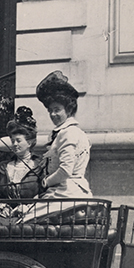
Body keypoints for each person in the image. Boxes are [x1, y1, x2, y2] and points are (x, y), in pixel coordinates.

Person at [36, 70, 92, 198]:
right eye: (50, 110)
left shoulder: (67, 133)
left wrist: (46, 182)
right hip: (78, 191)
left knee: (25, 217)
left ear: (68, 109)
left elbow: (66, 170)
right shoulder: (78, 132)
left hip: (64, 194)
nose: (52, 114)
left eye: (57, 110)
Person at [0, 106, 43, 200]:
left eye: (18, 141)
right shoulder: (4, 167)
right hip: (7, 213)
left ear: (29, 142)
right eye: (12, 141)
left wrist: (28, 208)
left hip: (35, 212)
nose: (15, 144)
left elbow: (45, 193)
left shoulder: (40, 165)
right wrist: (1, 205)